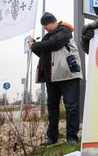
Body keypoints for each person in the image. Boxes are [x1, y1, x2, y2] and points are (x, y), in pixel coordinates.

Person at [29, 12, 83, 146]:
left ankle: (72, 137)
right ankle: (52, 137)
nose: (45, 28)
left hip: (67, 74)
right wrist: (34, 46)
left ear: (53, 22)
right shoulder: (47, 37)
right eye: (43, 26)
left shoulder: (64, 31)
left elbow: (54, 44)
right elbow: (42, 52)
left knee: (71, 107)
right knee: (52, 108)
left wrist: (36, 45)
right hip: (51, 77)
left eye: (46, 25)